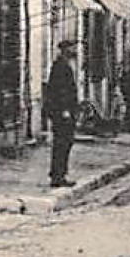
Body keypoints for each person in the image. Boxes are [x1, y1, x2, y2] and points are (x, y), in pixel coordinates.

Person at [45, 38, 80, 188]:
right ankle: (57, 176)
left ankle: (60, 174)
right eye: (72, 48)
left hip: (65, 111)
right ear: (66, 50)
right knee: (62, 143)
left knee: (65, 143)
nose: (75, 51)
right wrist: (65, 110)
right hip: (62, 112)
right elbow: (61, 91)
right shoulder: (60, 66)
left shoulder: (64, 65)